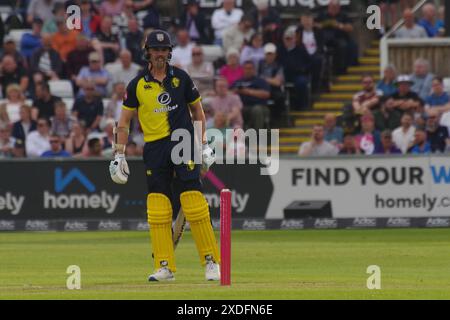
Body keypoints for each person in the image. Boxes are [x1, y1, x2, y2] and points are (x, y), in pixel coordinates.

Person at [109, 30, 219, 282]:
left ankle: (211, 262)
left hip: (183, 143)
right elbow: (124, 121)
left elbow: (198, 113)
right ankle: (164, 265)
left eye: (164, 50)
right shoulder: (137, 84)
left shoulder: (181, 78)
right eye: (155, 50)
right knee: (157, 207)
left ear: (169, 52)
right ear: (147, 51)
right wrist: (119, 154)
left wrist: (203, 145)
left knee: (193, 201)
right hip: (154, 147)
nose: (160, 54)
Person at [231, 61, 271, 130]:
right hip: (242, 106)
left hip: (259, 106)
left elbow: (266, 94)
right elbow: (229, 92)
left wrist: (248, 91)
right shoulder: (238, 82)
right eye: (246, 68)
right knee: (234, 110)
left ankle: (257, 135)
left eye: (250, 68)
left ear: (254, 70)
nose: (248, 70)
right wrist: (236, 91)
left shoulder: (260, 81)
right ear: (243, 69)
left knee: (257, 110)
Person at [297, 11, 325, 93]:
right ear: (301, 21)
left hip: (315, 56)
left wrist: (315, 54)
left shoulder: (318, 32)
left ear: (312, 21)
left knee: (318, 60)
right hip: (302, 57)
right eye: (304, 20)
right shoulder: (298, 32)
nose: (307, 22)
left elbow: (320, 46)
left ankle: (315, 87)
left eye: (308, 20)